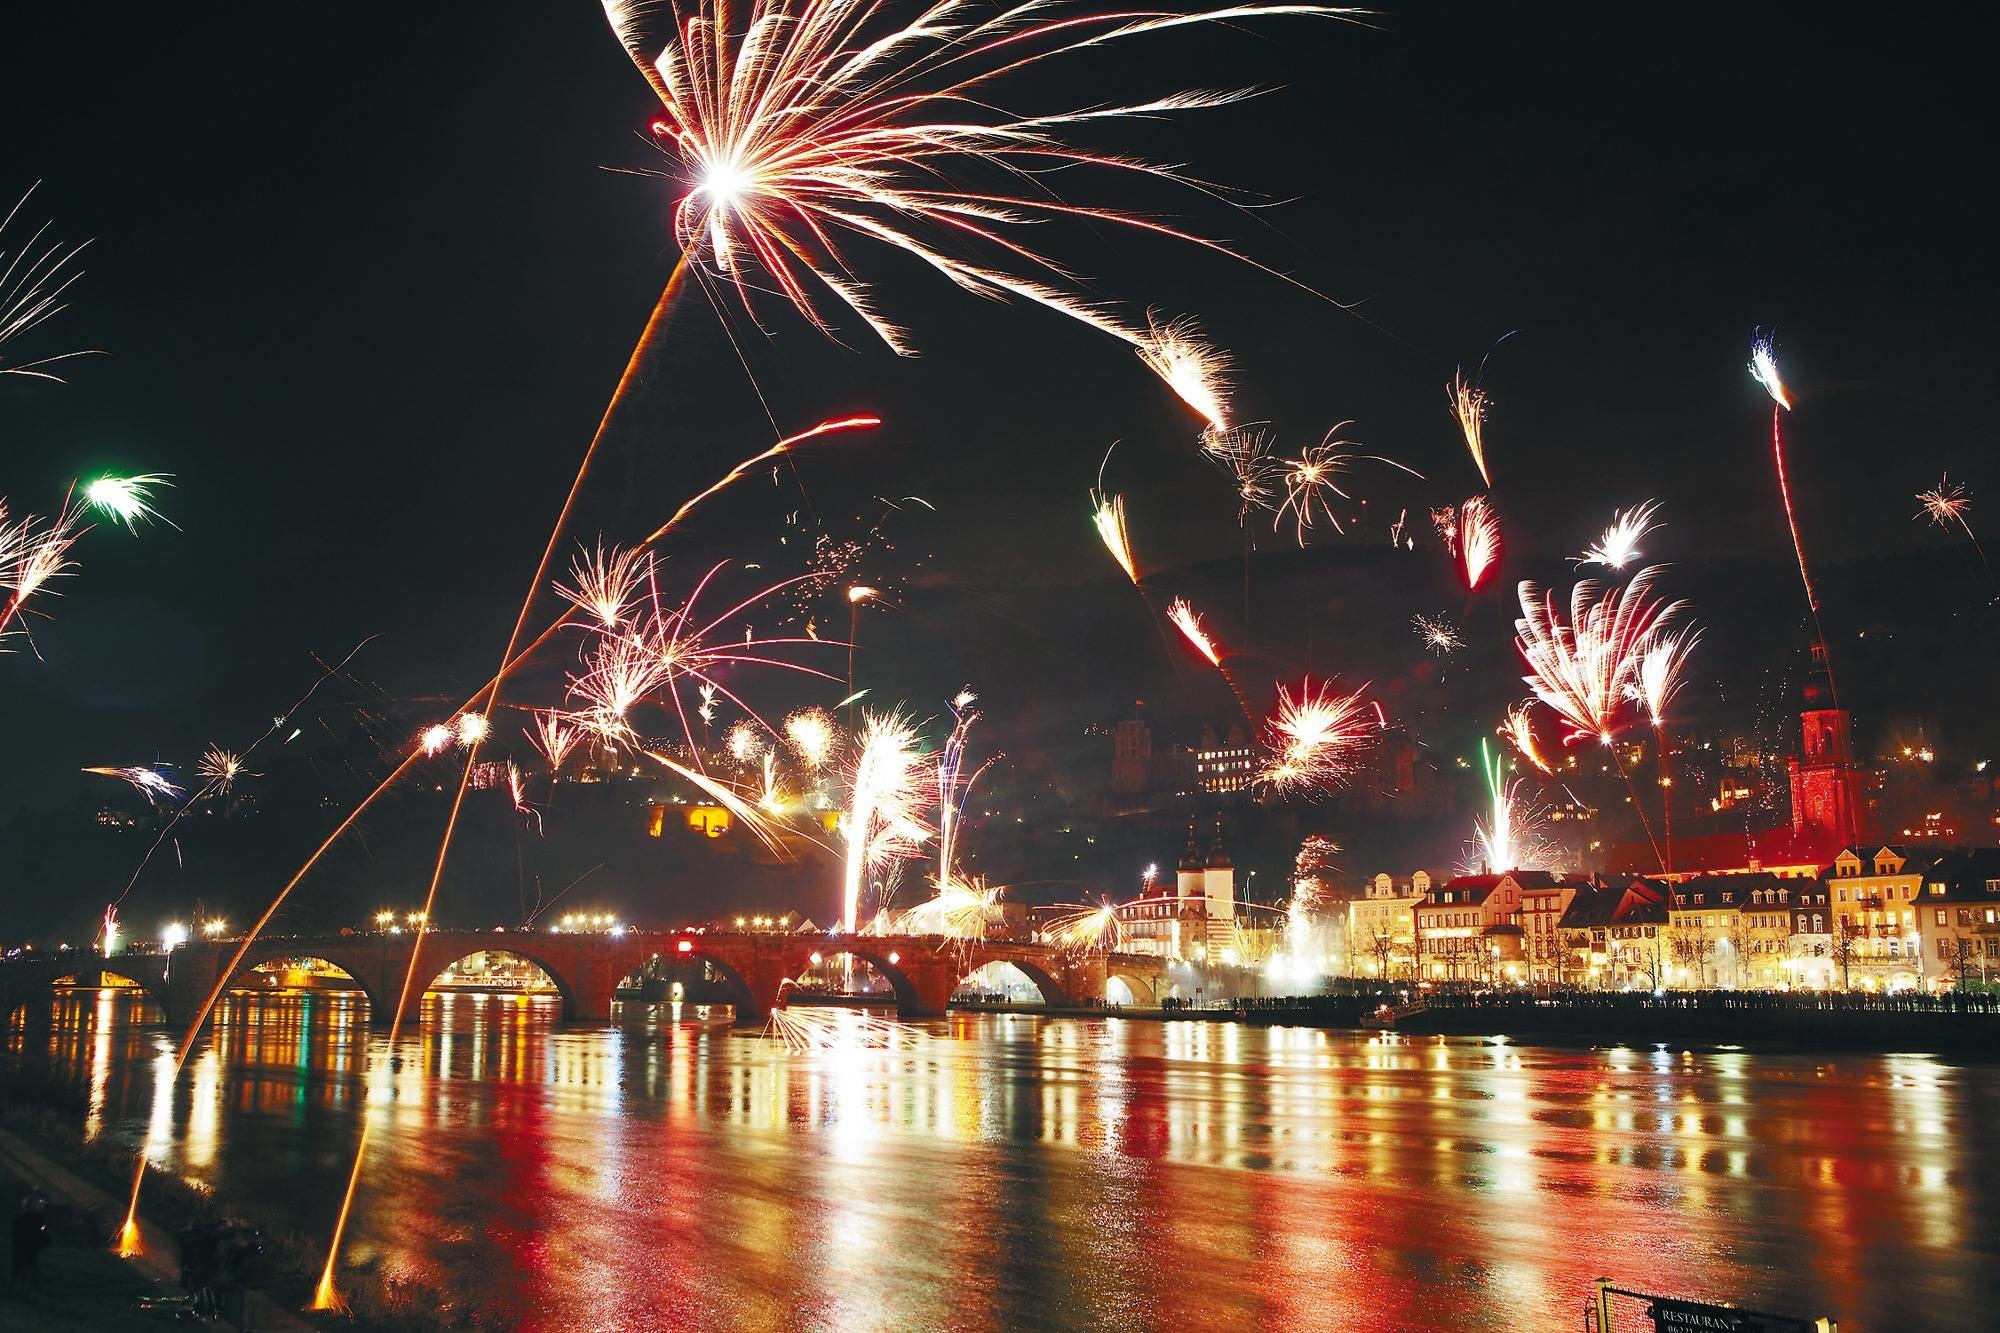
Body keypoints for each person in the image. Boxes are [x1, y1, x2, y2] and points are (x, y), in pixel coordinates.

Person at [10, 1189, 51, 1295]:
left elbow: (42, 1229)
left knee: (27, 1266)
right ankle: (20, 1287)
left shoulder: (32, 1217)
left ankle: (24, 1287)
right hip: (26, 1244)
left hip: (28, 1244)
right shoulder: (29, 1217)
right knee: (25, 1266)